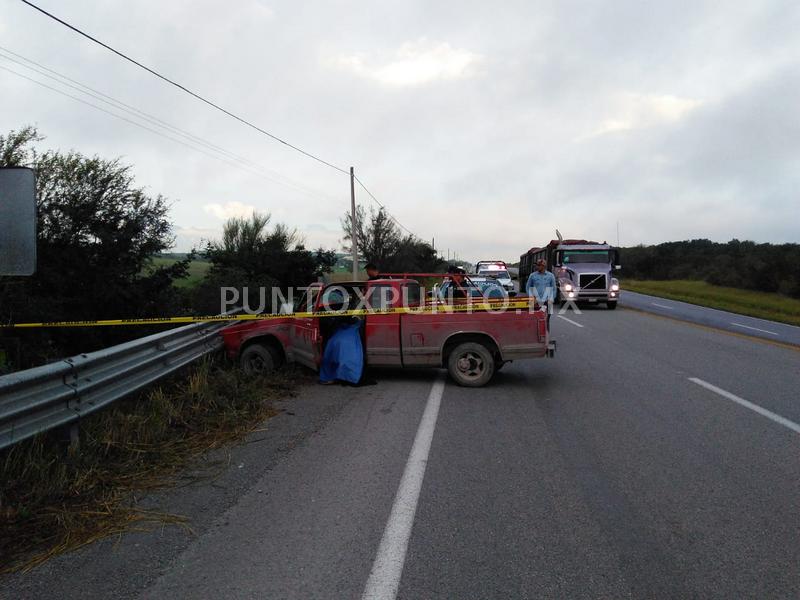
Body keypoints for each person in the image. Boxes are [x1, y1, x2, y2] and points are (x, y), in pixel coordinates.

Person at [526, 259, 556, 328]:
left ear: (543, 266)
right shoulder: (532, 276)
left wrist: (551, 299)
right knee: (534, 320)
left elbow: (554, 288)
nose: (537, 267)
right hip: (535, 302)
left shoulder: (550, 276)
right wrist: (532, 298)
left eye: (539, 265)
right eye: (537, 265)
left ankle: (546, 337)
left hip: (547, 302)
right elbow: (528, 288)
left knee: (546, 320)